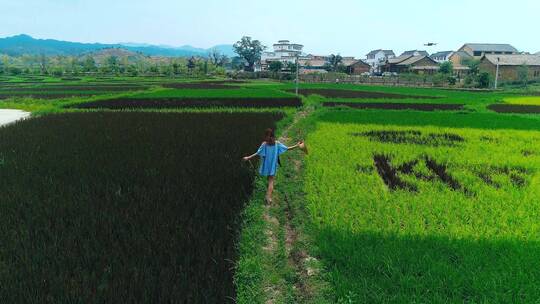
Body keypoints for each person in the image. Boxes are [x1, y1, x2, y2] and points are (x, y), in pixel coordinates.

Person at [243, 128, 303, 204]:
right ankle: (269, 195)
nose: (267, 138)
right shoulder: (276, 144)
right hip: (272, 165)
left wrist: (248, 157)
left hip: (267, 165)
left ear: (267, 136)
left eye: (266, 136)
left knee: (270, 180)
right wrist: (297, 145)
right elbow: (287, 148)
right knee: (270, 180)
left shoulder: (265, 144)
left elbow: (257, 153)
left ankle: (268, 197)